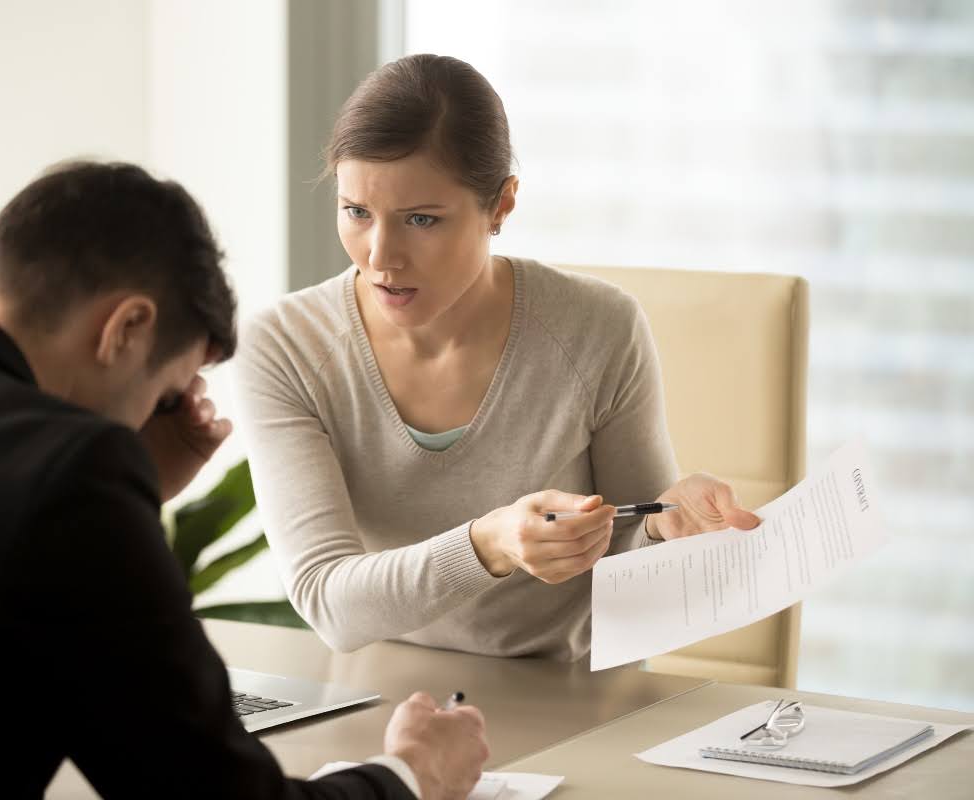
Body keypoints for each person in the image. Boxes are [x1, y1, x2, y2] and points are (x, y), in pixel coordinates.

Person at [0, 161, 488, 798]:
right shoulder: (65, 472)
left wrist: (136, 487)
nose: (159, 417)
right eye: (168, 392)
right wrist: (409, 778)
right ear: (126, 329)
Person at [233, 54, 761, 660]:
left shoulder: (599, 329)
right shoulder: (286, 347)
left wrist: (667, 530)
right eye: (357, 212)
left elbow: (630, 569)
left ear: (501, 206)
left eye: (421, 219)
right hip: (383, 700)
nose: (380, 256)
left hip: (571, 698)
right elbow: (327, 600)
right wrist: (490, 544)